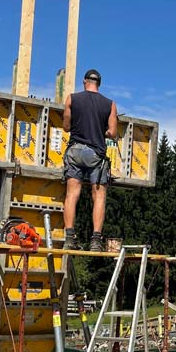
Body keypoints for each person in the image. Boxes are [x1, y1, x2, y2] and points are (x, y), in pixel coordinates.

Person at [62, 69, 118, 251]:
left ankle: (69, 238)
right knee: (99, 196)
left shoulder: (72, 99)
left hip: (75, 150)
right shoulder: (110, 104)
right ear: (99, 84)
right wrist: (101, 130)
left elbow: (66, 126)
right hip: (96, 154)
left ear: (84, 81)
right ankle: (95, 240)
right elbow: (112, 132)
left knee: (72, 194)